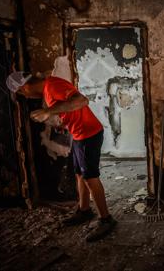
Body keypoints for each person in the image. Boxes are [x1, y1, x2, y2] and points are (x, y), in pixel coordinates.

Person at [6, 71, 115, 242]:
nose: (24, 96)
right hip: (79, 135)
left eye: (21, 92)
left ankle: (106, 219)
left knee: (90, 177)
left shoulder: (53, 85)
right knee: (79, 174)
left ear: (25, 86)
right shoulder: (49, 89)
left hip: (89, 134)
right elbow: (70, 107)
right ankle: (84, 210)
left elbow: (81, 101)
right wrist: (64, 124)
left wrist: (48, 111)